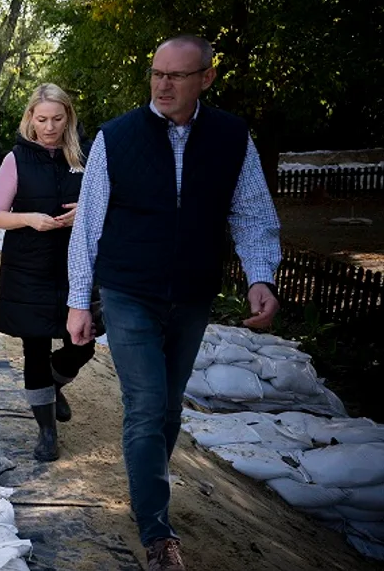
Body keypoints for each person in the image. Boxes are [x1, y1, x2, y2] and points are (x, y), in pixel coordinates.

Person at [66, 35, 282, 571]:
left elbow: (252, 212)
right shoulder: (116, 137)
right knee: (144, 406)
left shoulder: (232, 137)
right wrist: (78, 301)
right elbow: (87, 227)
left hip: (192, 293)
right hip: (129, 291)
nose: (163, 84)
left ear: (206, 78)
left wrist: (261, 277)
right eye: (157, 73)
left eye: (177, 76)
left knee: (167, 408)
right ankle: (157, 533)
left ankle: (146, 485)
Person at [0, 84, 95, 462]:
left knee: (82, 344)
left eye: (57, 119)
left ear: (69, 118)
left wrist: (85, 211)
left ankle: (55, 379)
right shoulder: (17, 158)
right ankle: (47, 432)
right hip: (28, 266)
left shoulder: (86, 156)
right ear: (30, 118)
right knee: (34, 347)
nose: (49, 127)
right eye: (42, 119)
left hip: (74, 266)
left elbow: (109, 203)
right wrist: (30, 219)